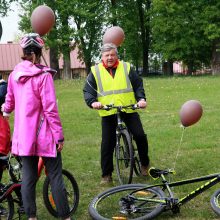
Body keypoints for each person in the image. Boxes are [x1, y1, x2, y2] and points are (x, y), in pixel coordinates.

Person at [1, 33, 71, 220]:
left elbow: (9, 102)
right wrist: (59, 136)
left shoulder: (15, 74)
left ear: (23, 52)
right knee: (55, 176)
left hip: (24, 136)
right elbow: (50, 109)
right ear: (40, 52)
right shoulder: (44, 76)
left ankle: (31, 217)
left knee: (29, 178)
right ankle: (65, 217)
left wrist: (6, 112)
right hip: (45, 135)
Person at [83, 43, 150, 184]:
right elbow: (88, 91)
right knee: (107, 143)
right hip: (108, 111)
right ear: (102, 56)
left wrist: (141, 99)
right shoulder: (95, 71)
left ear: (116, 55)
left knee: (140, 136)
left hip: (128, 108)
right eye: (107, 55)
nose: (110, 58)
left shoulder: (126, 67)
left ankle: (145, 164)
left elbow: (138, 85)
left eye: (112, 55)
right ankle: (106, 175)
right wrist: (93, 102)